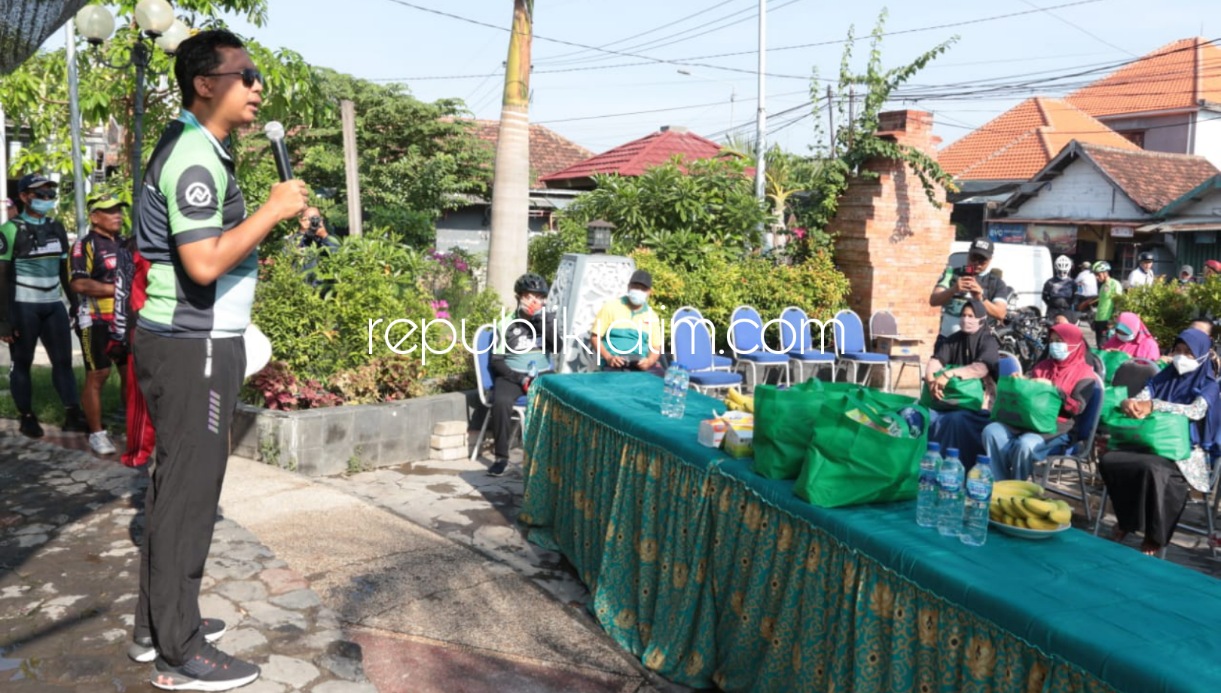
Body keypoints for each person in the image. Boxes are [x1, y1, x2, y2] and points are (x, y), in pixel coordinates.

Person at [129, 29, 308, 691]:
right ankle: (181, 645)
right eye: (245, 74)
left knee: (173, 485)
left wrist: (276, 217)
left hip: (193, 343)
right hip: (193, 347)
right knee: (189, 496)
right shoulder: (195, 160)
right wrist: (271, 207)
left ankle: (156, 626)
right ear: (206, 84)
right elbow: (202, 263)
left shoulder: (203, 149)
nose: (258, 86)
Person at [1099, 329, 1219, 555]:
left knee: (1152, 469)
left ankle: (1154, 537)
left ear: (1203, 356)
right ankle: (1127, 521)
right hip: (1149, 442)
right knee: (1111, 460)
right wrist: (1129, 403)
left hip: (1184, 452)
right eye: (1178, 351)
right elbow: (1144, 396)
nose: (1181, 357)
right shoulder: (1164, 376)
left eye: (1189, 353)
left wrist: (1157, 406)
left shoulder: (1209, 385)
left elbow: (1196, 411)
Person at [0, 174, 87, 438]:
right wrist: (3, 319)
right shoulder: (10, 230)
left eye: (50, 194)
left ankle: (72, 414)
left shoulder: (57, 227)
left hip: (53, 306)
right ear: (25, 197)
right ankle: (26, 416)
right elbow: (1, 277)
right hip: (24, 307)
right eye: (40, 195)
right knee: (23, 362)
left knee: (62, 362)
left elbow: (64, 270)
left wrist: (73, 303)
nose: (46, 199)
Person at [982, 323, 1098, 481]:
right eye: (1052, 341)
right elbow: (1029, 390)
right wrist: (1021, 381)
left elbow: (1077, 408)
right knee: (992, 431)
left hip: (1056, 429)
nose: (1054, 345)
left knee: (1025, 444)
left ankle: (1017, 486)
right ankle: (999, 482)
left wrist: (1055, 389)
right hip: (1026, 420)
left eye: (1060, 341)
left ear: (1075, 343)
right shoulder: (1043, 366)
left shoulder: (1085, 374)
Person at [69, 194, 130, 455]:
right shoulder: (85, 246)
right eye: (110, 211)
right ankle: (96, 434)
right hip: (93, 320)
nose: (117, 215)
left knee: (130, 375)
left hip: (124, 320)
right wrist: (118, 289)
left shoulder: (127, 244)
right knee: (99, 375)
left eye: (119, 210)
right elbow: (79, 284)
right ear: (94, 216)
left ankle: (131, 426)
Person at [486, 273, 558, 477]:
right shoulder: (506, 323)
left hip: (543, 373)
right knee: (501, 402)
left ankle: (553, 454)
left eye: (539, 297)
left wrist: (544, 322)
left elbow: (557, 347)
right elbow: (497, 360)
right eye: (529, 296)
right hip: (513, 374)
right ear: (519, 297)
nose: (534, 301)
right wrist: (520, 378)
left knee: (566, 398)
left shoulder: (546, 320)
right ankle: (501, 457)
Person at [924, 298, 999, 469]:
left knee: (954, 420)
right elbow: (936, 361)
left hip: (979, 404)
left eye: (971, 316)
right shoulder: (953, 339)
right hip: (948, 400)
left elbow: (981, 369)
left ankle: (953, 468)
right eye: (964, 315)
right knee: (919, 414)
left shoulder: (988, 341)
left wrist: (950, 374)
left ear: (981, 318)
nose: (966, 319)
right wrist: (930, 379)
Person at [108, 233, 155, 468]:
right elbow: (122, 291)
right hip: (142, 326)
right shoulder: (133, 246)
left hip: (172, 327)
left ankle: (145, 452)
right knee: (140, 396)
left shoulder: (183, 238)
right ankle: (138, 453)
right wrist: (119, 335)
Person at [930, 237, 1012, 339]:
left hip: (978, 344)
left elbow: (1000, 314)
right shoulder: (951, 274)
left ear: (990, 260)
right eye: (974, 257)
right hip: (947, 341)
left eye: (982, 260)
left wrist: (980, 298)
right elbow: (933, 300)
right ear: (968, 254)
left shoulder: (996, 283)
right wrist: (953, 290)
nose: (977, 263)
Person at [591, 269, 664, 374]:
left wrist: (649, 361)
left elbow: (656, 347)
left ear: (649, 292)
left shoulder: (652, 315)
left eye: (643, 289)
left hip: (640, 363)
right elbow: (595, 337)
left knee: (661, 383)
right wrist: (609, 357)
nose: (638, 290)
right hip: (615, 362)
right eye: (635, 287)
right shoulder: (610, 307)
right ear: (629, 287)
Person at [1079, 261, 1122, 345]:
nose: (1096, 277)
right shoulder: (1102, 286)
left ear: (1105, 273)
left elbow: (1119, 304)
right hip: (1099, 320)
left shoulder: (1115, 284)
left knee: (1106, 347)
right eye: (1095, 275)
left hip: (1107, 322)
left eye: (1098, 274)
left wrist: (1113, 320)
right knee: (1099, 346)